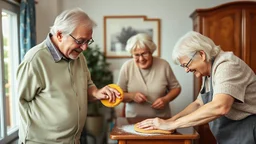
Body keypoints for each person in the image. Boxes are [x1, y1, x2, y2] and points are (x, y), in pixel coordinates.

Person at [16, 8, 120, 144]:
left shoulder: (79, 57)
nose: (84, 48)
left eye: (88, 41)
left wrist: (97, 92)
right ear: (60, 35)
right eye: (80, 41)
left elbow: (87, 86)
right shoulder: (35, 60)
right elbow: (22, 101)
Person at [137, 31, 256, 143]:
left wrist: (173, 125)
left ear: (202, 54)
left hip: (248, 131)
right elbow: (199, 103)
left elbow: (220, 106)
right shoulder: (209, 71)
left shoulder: (227, 65)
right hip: (231, 134)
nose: (186, 70)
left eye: (186, 64)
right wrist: (170, 120)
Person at [117, 33, 181, 118]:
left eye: (144, 53)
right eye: (136, 55)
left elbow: (176, 88)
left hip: (161, 120)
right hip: (133, 120)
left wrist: (166, 99)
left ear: (151, 52)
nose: (141, 59)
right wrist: (132, 96)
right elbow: (118, 95)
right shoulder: (127, 67)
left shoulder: (163, 65)